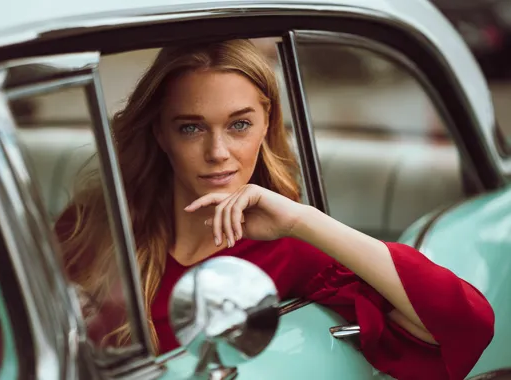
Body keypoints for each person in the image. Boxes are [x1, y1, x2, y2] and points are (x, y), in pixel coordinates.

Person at [54, 39, 494, 380]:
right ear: (160, 134)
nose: (218, 151)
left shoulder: (289, 246)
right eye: (190, 127)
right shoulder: (91, 225)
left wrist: (304, 220)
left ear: (267, 124)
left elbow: (464, 325)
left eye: (239, 124)